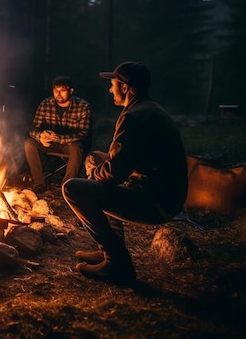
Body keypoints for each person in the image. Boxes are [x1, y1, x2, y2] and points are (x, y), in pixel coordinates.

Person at [61, 61, 188, 285]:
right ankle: (107, 248)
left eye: (113, 84)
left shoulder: (134, 117)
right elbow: (124, 163)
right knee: (95, 159)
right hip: (163, 193)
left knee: (72, 188)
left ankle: (116, 263)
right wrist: (98, 170)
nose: (110, 89)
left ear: (126, 88)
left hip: (155, 202)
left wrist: (94, 176)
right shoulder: (148, 108)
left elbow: (114, 174)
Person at [24, 75, 91, 194]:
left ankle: (67, 186)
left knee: (76, 147)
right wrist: (41, 136)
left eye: (63, 91)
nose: (58, 94)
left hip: (70, 145)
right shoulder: (45, 104)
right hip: (50, 143)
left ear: (71, 91)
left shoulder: (83, 106)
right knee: (29, 143)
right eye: (56, 91)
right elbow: (33, 129)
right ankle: (39, 182)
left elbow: (83, 133)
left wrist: (60, 138)